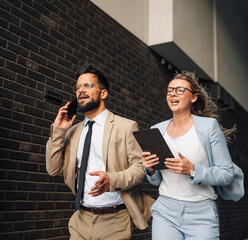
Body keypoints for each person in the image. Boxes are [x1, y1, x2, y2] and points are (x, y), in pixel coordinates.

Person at [46, 64, 154, 240]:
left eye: (88, 86)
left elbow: (141, 168)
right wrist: (59, 131)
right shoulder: (72, 132)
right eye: (78, 87)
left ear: (103, 93)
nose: (81, 90)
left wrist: (112, 179)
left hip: (115, 221)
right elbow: (53, 169)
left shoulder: (126, 126)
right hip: (81, 219)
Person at [142, 71, 236, 240]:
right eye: (170, 90)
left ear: (193, 97)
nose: (172, 94)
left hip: (201, 213)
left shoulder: (209, 127)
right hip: (166, 211)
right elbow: (156, 180)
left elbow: (227, 174)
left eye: (179, 90)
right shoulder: (156, 130)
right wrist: (149, 169)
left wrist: (193, 170)